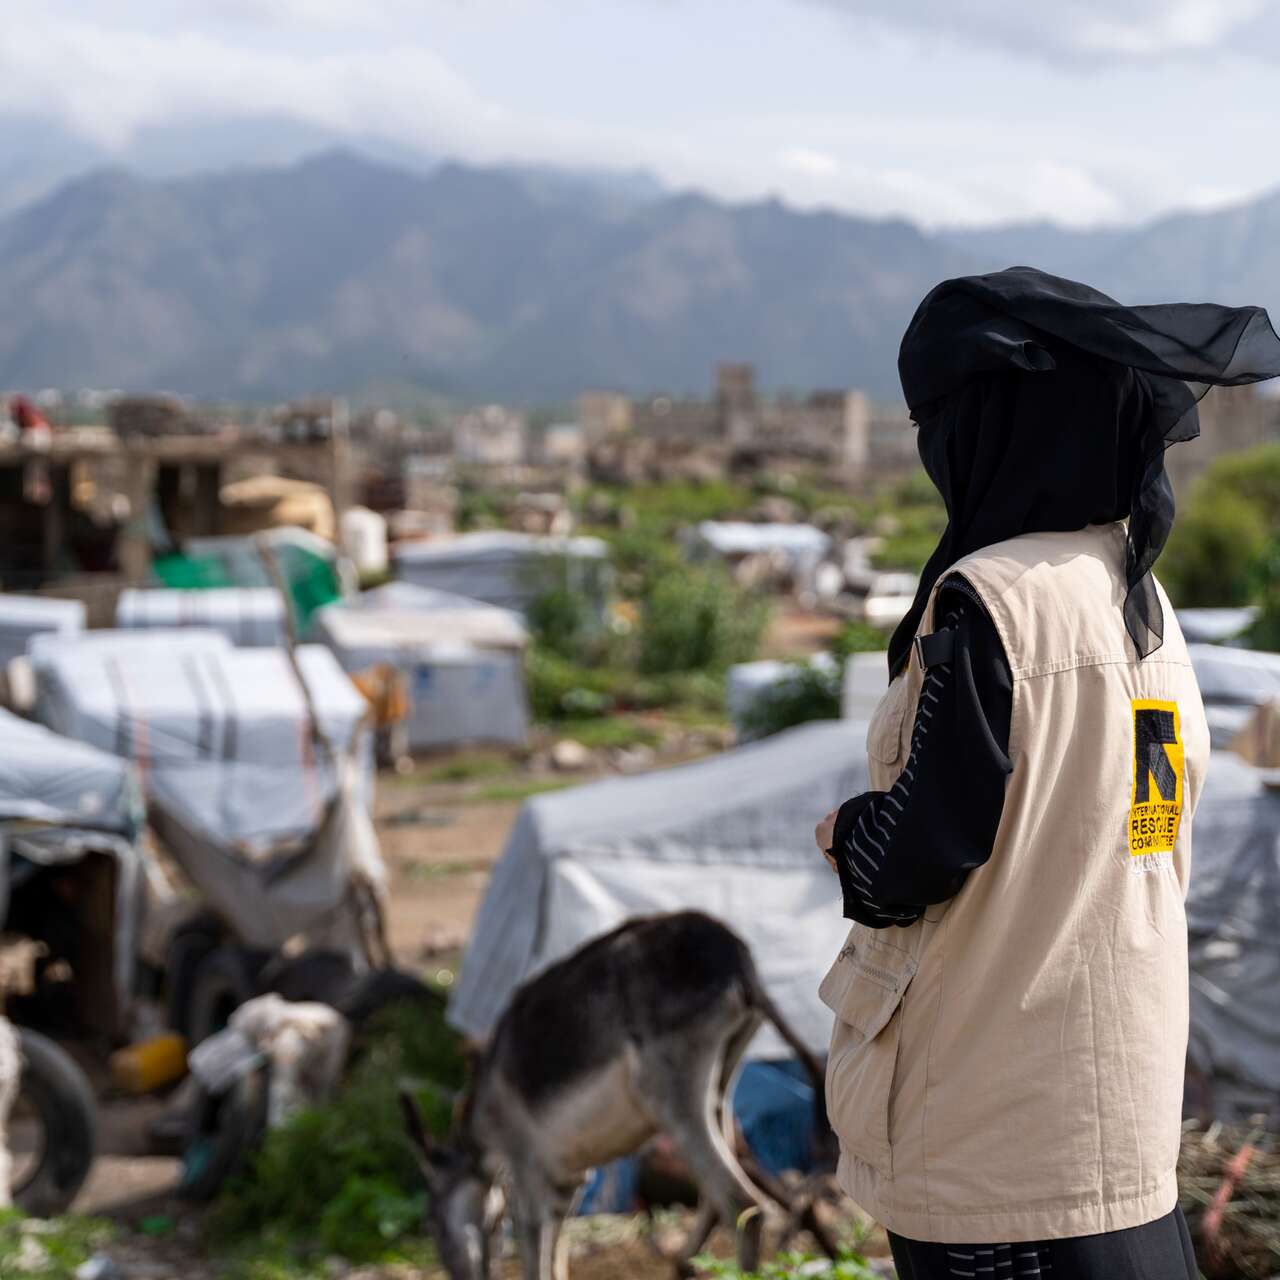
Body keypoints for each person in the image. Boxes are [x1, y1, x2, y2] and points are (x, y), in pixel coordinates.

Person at [814, 267, 1280, 1280]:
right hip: (1122, 1116)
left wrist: (846, 832)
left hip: (991, 1137)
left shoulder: (987, 601)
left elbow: (913, 855)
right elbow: (1139, 827)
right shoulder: (1136, 601)